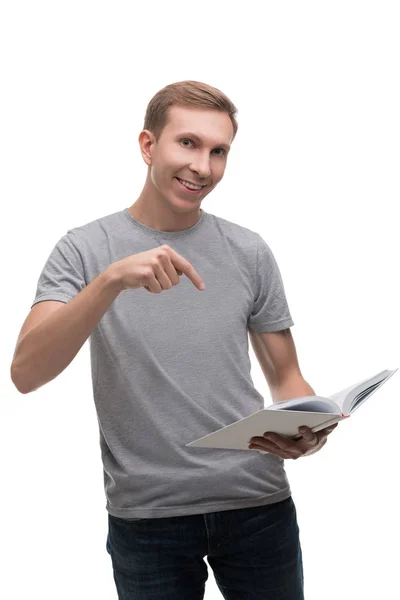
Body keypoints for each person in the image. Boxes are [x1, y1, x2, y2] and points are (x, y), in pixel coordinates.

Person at [11, 80, 337, 599]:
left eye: (219, 151)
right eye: (187, 143)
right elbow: (26, 373)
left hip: (257, 503)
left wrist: (309, 425)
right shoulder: (84, 250)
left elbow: (285, 375)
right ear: (148, 145)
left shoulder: (248, 250)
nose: (203, 167)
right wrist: (110, 281)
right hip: (148, 518)